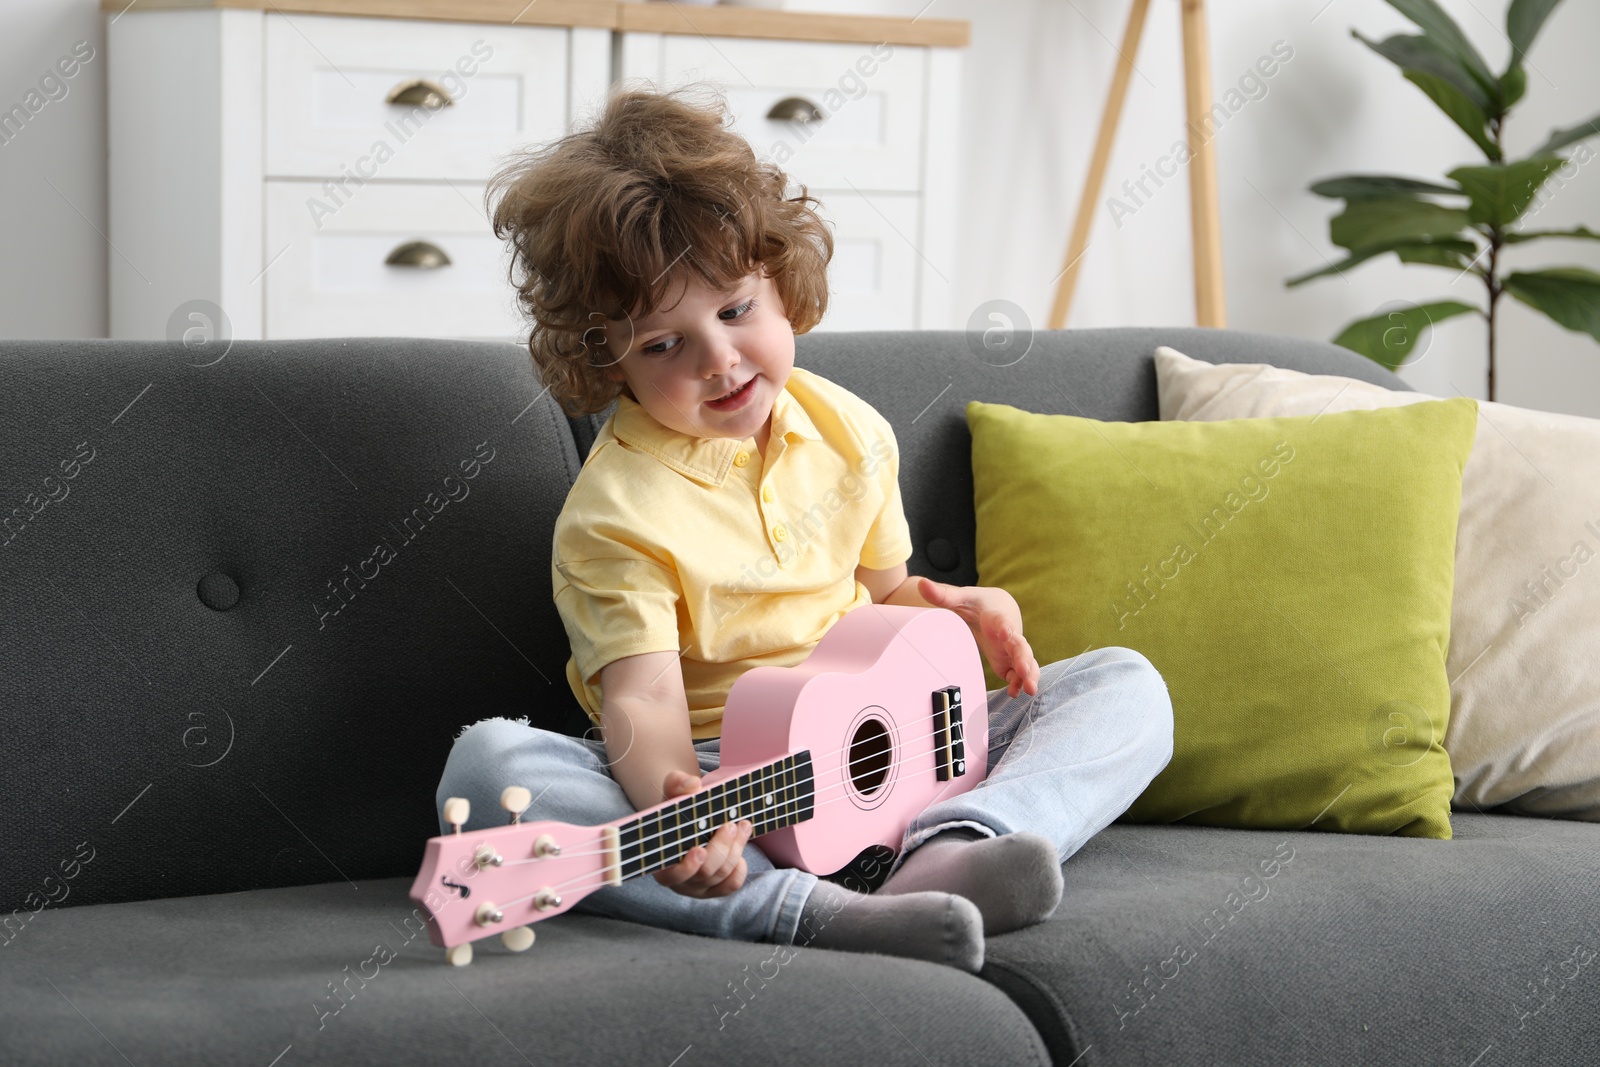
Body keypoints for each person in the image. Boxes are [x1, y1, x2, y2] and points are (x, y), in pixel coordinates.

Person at [435, 83, 1174, 973]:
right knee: (490, 768)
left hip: (874, 750)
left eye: (736, 309)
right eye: (664, 344)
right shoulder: (613, 514)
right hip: (719, 769)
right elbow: (643, 698)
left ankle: (954, 846)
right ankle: (805, 910)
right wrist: (684, 807)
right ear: (610, 361)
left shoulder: (851, 429)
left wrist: (961, 607)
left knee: (1124, 686)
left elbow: (883, 601)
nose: (719, 359)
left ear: (783, 286)